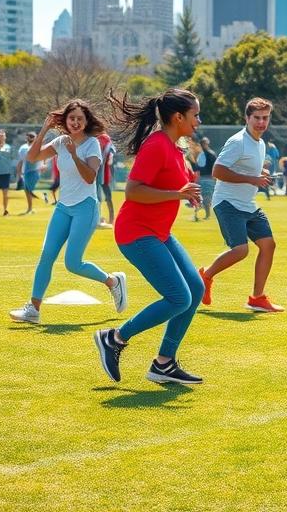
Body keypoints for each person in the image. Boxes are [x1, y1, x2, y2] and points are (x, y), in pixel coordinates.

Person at [94, 88, 205, 385]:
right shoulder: (157, 144)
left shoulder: (175, 146)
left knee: (194, 288)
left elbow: (171, 188)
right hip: (136, 233)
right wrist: (176, 193)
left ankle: (164, 363)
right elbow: (132, 190)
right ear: (178, 116)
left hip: (160, 233)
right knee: (178, 297)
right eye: (195, 114)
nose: (198, 120)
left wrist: (186, 196)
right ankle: (114, 338)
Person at [9, 100, 126, 325]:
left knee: (73, 263)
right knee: (46, 256)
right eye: (71, 118)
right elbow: (32, 158)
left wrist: (74, 155)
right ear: (65, 120)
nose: (75, 122)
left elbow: (90, 177)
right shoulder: (61, 141)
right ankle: (33, 309)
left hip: (86, 207)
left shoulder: (91, 144)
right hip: (63, 207)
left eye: (79, 119)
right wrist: (44, 129)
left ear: (86, 121)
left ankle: (112, 282)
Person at [198, 98, 283, 312]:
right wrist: (253, 179)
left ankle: (257, 298)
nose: (261, 122)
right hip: (227, 203)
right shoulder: (238, 142)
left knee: (268, 245)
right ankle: (205, 276)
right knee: (240, 250)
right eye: (257, 118)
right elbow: (218, 171)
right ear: (247, 118)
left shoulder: (261, 143)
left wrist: (259, 174)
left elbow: (245, 171)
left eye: (265, 118)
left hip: (248, 204)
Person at [192, 136, 217, 221]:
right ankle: (200, 215)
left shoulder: (208, 154)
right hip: (203, 178)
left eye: (204, 144)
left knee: (205, 198)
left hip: (208, 178)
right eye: (203, 144)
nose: (203, 145)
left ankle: (206, 215)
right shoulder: (206, 154)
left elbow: (214, 167)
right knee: (201, 197)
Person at [96, 130, 116, 227]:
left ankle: (111, 219)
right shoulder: (94, 138)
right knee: (97, 197)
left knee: (107, 197)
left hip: (105, 173)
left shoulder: (104, 137)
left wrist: (111, 156)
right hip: (95, 173)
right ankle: (97, 218)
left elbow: (111, 148)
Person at [16, 131, 39, 215]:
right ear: (26, 137)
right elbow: (20, 161)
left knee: (29, 190)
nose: (31, 137)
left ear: (36, 137)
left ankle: (30, 208)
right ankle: (30, 208)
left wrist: (44, 165)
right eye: (29, 136)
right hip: (26, 172)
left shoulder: (38, 146)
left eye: (32, 136)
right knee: (27, 190)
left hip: (35, 171)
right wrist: (19, 174)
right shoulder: (23, 148)